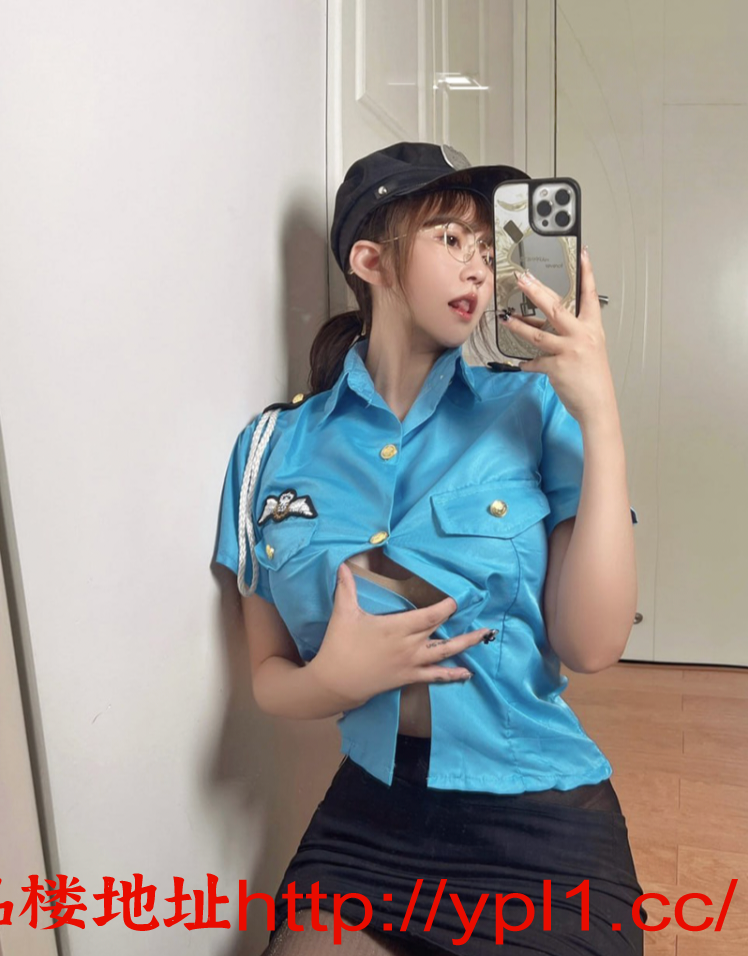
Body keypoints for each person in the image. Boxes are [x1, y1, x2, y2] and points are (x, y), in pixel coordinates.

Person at [213, 142, 646, 955]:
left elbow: (593, 646)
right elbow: (267, 672)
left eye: (487, 244)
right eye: (451, 237)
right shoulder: (270, 450)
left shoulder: (532, 410)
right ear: (371, 260)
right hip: (368, 820)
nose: (479, 265)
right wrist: (333, 681)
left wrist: (600, 412)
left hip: (537, 817)